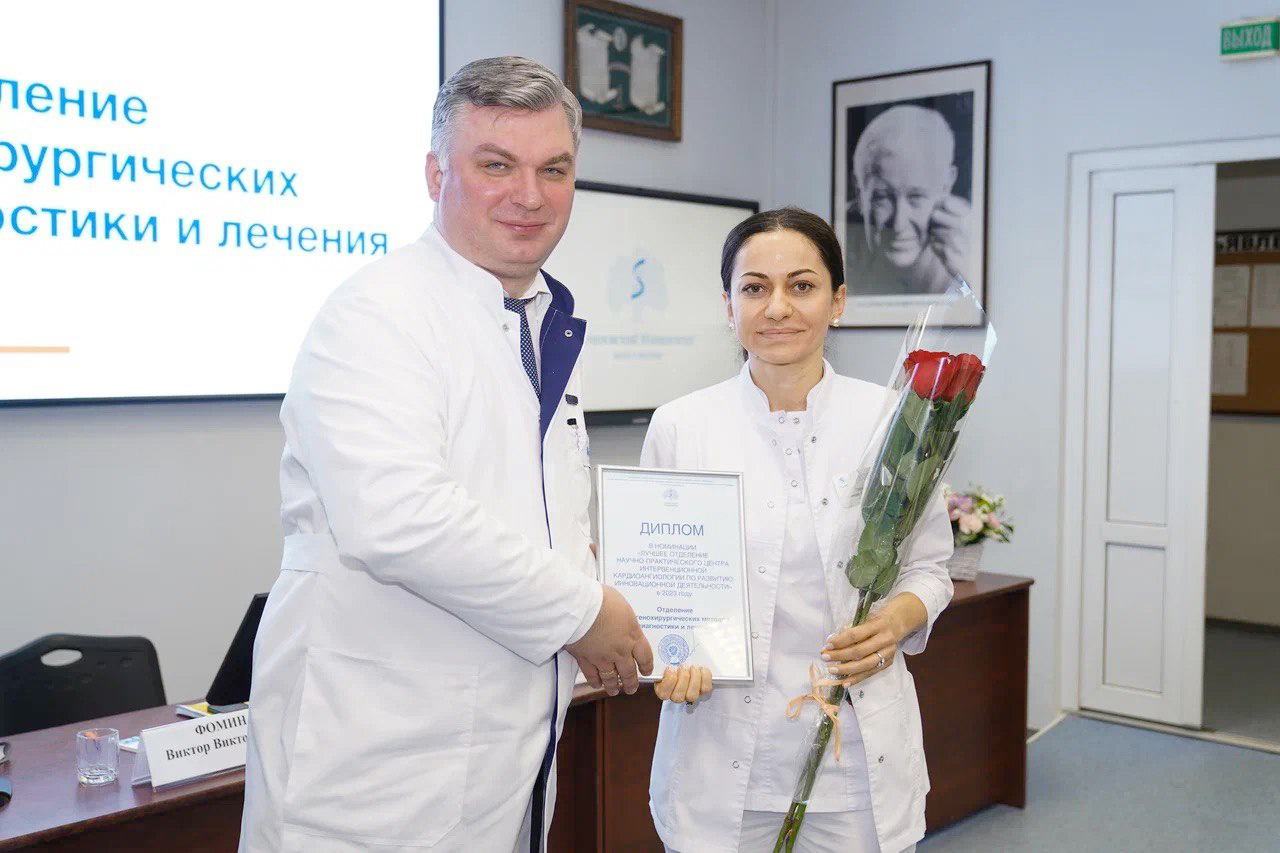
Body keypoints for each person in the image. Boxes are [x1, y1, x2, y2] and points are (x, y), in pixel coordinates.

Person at [238, 57, 653, 853]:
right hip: (374, 768)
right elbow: (396, 518)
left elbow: (528, 516)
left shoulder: (536, 319)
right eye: (496, 165)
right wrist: (583, 611)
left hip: (500, 756)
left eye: (554, 169)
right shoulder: (375, 313)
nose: (529, 195)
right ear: (436, 175)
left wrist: (595, 579)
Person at [643, 208, 954, 852]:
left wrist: (896, 620)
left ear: (838, 301)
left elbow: (930, 568)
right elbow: (659, 582)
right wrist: (668, 656)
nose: (777, 307)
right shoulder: (681, 426)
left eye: (802, 286)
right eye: (754, 288)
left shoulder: (895, 419)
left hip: (853, 762)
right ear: (728, 305)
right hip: (719, 750)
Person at [845, 104, 971, 296]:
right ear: (858, 191)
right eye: (882, 197)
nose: (898, 224)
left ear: (947, 185)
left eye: (916, 197)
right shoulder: (836, 250)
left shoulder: (966, 254)